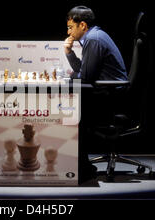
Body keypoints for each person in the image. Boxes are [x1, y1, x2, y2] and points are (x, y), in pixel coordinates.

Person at [64, 6, 128, 183]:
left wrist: (74, 74)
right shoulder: (95, 36)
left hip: (111, 96)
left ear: (82, 25)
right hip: (108, 92)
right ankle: (81, 166)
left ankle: (83, 169)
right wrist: (69, 53)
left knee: (74, 114)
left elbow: (84, 77)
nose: (68, 31)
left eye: (70, 27)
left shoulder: (93, 39)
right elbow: (84, 72)